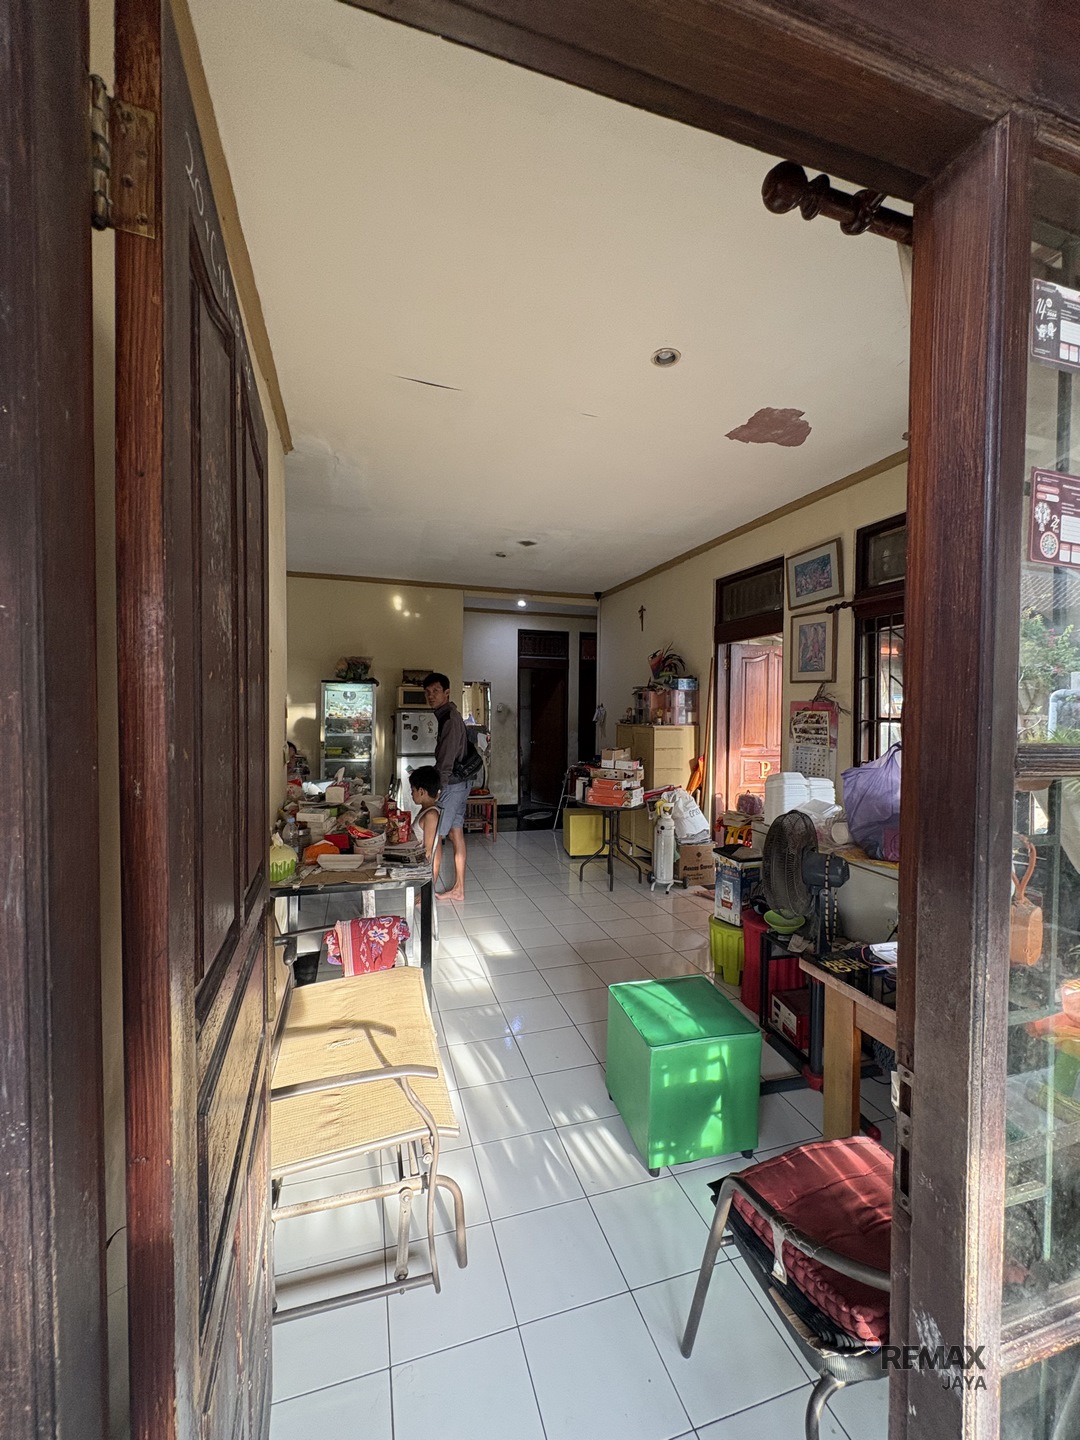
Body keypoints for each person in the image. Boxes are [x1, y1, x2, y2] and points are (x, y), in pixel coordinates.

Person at [423, 671, 469, 901]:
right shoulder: (450, 715)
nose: (431, 696)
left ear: (447, 692)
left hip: (451, 785)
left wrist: (437, 789)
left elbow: (447, 759)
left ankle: (427, 893)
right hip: (462, 783)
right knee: (455, 832)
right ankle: (459, 889)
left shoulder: (449, 719)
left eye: (436, 691)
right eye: (427, 692)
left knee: (435, 837)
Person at [408, 765, 443, 864]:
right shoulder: (425, 810)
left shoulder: (431, 815)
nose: (411, 794)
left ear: (421, 792)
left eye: (413, 790)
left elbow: (429, 852)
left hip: (419, 864)